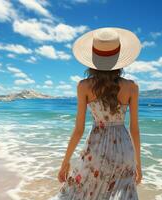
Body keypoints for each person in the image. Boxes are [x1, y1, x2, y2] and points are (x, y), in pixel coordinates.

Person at [49, 27, 142, 200]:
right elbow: (134, 129)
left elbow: (78, 129)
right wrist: (138, 164)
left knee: (85, 192)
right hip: (124, 150)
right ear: (119, 57)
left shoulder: (83, 87)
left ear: (93, 58)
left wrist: (65, 162)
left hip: (96, 147)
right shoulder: (132, 87)